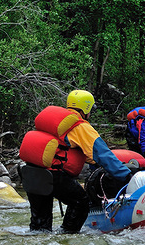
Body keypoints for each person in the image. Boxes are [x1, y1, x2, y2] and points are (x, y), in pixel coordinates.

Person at [19, 89, 132, 233]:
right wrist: (126, 175)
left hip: (31, 173)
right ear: (86, 109)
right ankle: (67, 235)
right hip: (54, 175)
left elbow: (73, 152)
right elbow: (102, 154)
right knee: (80, 202)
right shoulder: (80, 126)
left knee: (40, 226)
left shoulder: (57, 122)